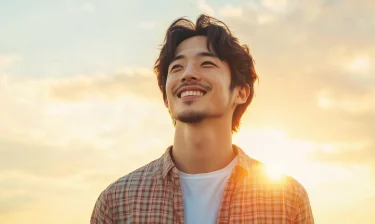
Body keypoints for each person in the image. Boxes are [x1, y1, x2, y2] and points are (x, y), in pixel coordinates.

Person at [90, 14, 314, 224]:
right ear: (167, 98)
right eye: (176, 67)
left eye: (207, 63)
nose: (187, 73)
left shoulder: (287, 199)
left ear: (241, 92)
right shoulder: (117, 202)